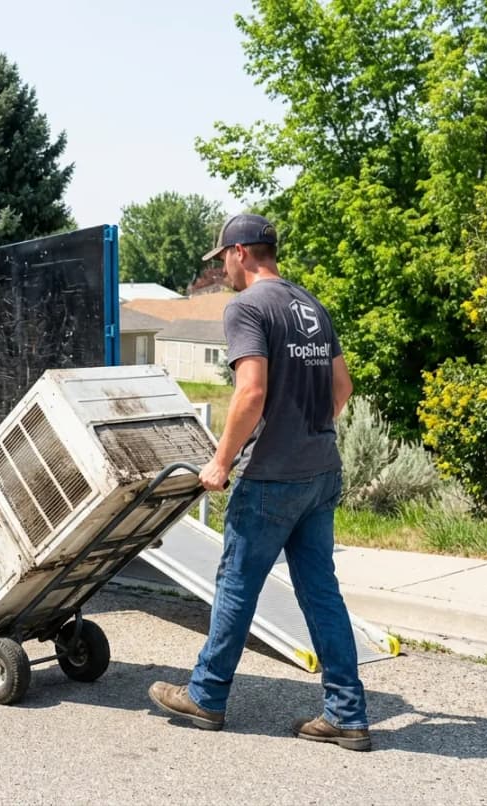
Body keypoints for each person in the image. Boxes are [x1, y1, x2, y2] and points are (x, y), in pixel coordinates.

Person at [147, 213, 371, 751]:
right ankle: (347, 714)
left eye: (222, 256)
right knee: (321, 593)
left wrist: (221, 463)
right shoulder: (309, 304)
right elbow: (341, 385)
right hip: (320, 472)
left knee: (237, 586)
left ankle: (206, 696)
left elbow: (250, 392)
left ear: (242, 252)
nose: (221, 267)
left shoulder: (247, 307)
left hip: (270, 479)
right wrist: (307, 434)